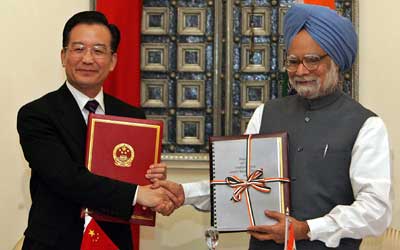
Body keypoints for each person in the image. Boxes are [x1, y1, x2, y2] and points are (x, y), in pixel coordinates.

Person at [156, 4, 392, 250]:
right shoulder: (265, 113)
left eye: (311, 61)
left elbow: (375, 212)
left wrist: (308, 229)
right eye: (293, 61)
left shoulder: (366, 125)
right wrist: (184, 193)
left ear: (336, 61)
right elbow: (239, 182)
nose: (301, 71)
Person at [17, 11, 176, 250]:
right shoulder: (37, 115)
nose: (88, 59)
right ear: (63, 56)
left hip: (115, 242)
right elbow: (66, 178)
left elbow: (136, 182)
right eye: (78, 48)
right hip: (54, 243)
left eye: (98, 50)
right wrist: (136, 193)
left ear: (112, 61)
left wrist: (152, 180)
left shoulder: (132, 117)